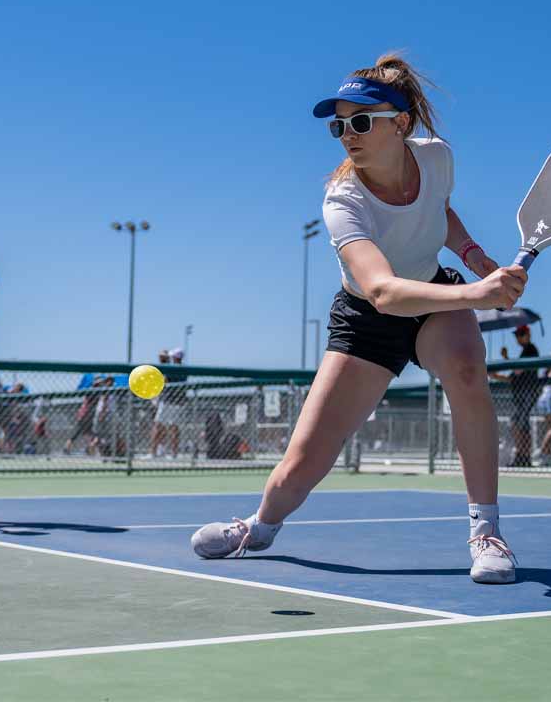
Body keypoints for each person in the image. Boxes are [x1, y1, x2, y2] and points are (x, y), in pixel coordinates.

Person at [191, 54, 527, 584]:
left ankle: (487, 533)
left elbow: (438, 210)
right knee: (302, 464)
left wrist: (473, 255)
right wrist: (482, 294)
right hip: (369, 318)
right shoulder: (342, 199)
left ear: (401, 124)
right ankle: (259, 526)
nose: (349, 134)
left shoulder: (437, 158)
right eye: (339, 125)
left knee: (466, 373)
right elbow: (382, 290)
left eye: (362, 121)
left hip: (434, 293)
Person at [489, 325, 540, 467]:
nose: (518, 337)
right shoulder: (525, 351)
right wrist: (496, 376)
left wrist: (506, 358)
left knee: (517, 424)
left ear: (528, 334)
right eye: (517, 335)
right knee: (521, 425)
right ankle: (523, 457)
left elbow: (518, 371)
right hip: (521, 396)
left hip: (527, 394)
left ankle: (522, 456)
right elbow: (513, 377)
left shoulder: (530, 349)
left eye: (521, 334)